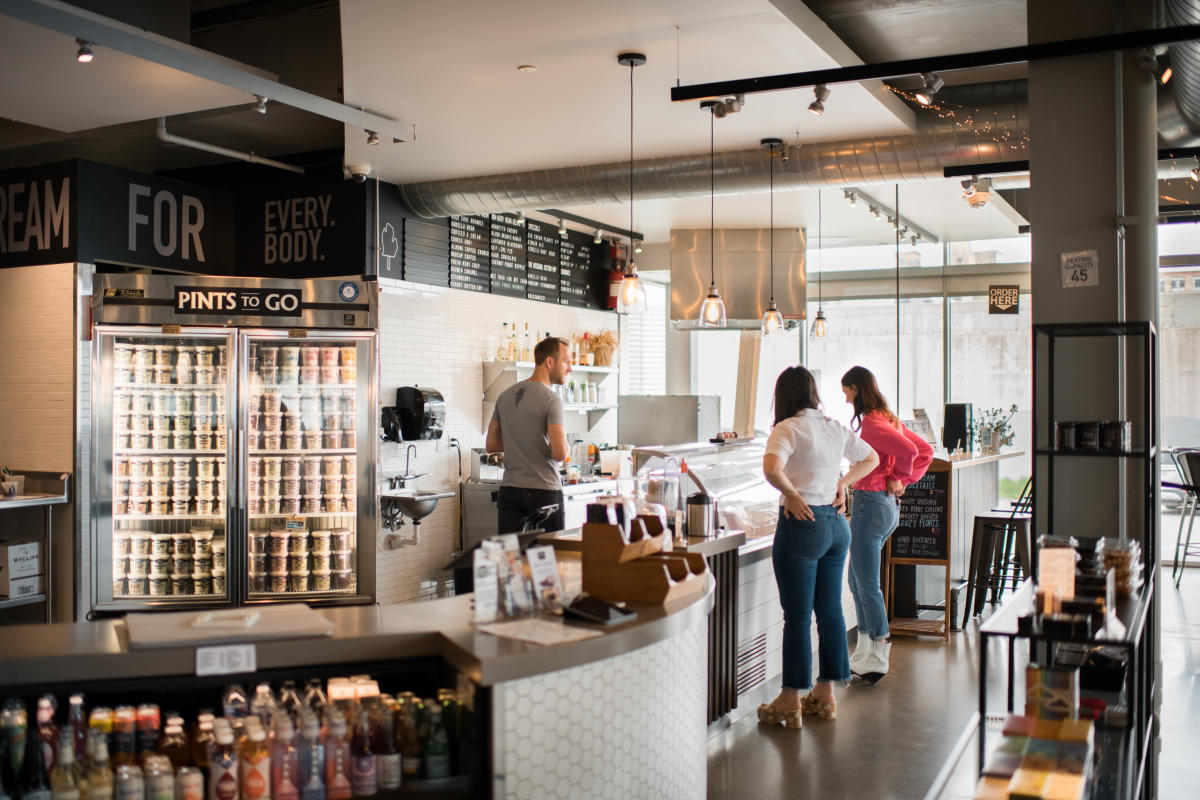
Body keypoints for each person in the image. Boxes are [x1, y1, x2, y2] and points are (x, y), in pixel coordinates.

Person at [758, 366, 879, 729]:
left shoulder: (788, 428)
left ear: (783, 396)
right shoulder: (832, 426)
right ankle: (826, 694)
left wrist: (792, 494)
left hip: (803, 526)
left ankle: (791, 699)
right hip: (835, 526)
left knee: (796, 616)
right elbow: (871, 458)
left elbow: (770, 467)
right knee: (830, 612)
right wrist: (843, 482)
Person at [840, 366, 934, 681]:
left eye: (846, 391)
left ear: (856, 389)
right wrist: (901, 480)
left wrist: (899, 478)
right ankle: (866, 648)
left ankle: (878, 651)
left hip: (871, 505)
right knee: (857, 582)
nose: (845, 397)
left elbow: (912, 451)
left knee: (866, 583)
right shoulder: (886, 418)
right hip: (882, 507)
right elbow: (925, 452)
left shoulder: (872, 423)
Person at [485, 336, 571, 533]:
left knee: (512, 559)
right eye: (566, 362)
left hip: (510, 492)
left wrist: (522, 440)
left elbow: (491, 444)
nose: (570, 368)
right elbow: (559, 454)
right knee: (548, 558)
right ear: (549, 362)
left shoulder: (505, 396)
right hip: (545, 492)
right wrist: (564, 446)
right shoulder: (552, 399)